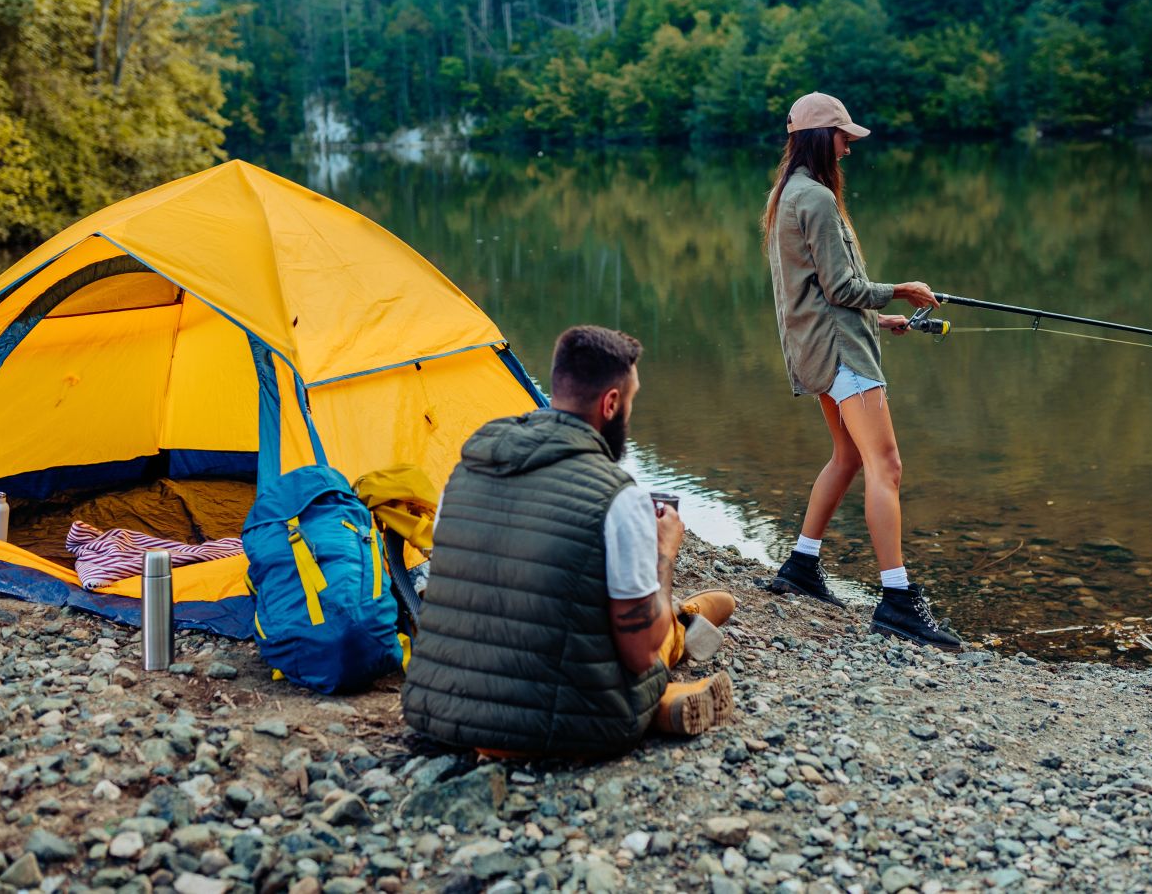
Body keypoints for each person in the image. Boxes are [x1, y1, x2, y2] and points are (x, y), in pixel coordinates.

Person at [401, 325, 737, 758]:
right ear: (611, 403)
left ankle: (683, 623)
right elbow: (638, 654)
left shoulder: (466, 467)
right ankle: (678, 634)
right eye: (630, 402)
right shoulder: (619, 496)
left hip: (439, 711)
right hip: (554, 727)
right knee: (648, 646)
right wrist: (663, 555)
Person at [762, 91, 961, 651]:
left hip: (817, 348)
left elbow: (817, 292)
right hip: (840, 353)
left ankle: (801, 566)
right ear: (823, 137)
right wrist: (901, 289)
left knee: (849, 457)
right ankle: (897, 600)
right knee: (887, 465)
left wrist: (881, 317)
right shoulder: (818, 200)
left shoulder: (789, 194)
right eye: (845, 136)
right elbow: (842, 288)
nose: (850, 145)